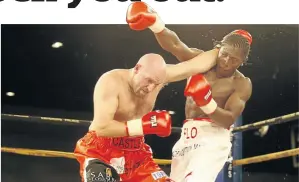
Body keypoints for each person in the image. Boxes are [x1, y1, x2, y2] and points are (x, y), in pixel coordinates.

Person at [126, 2, 253, 182]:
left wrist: (206, 101)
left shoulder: (241, 83)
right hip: (186, 138)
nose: (225, 61)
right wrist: (155, 24)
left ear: (242, 61)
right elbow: (175, 45)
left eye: (233, 60)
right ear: (219, 48)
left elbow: (229, 119)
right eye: (224, 54)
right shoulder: (201, 61)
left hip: (212, 139)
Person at [74, 46, 221, 181]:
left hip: (137, 154)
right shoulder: (111, 81)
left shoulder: (159, 77)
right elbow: (101, 128)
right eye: (148, 81)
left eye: (156, 84)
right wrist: (143, 126)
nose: (151, 88)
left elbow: (193, 66)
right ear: (137, 68)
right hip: (101, 152)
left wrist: (223, 49)